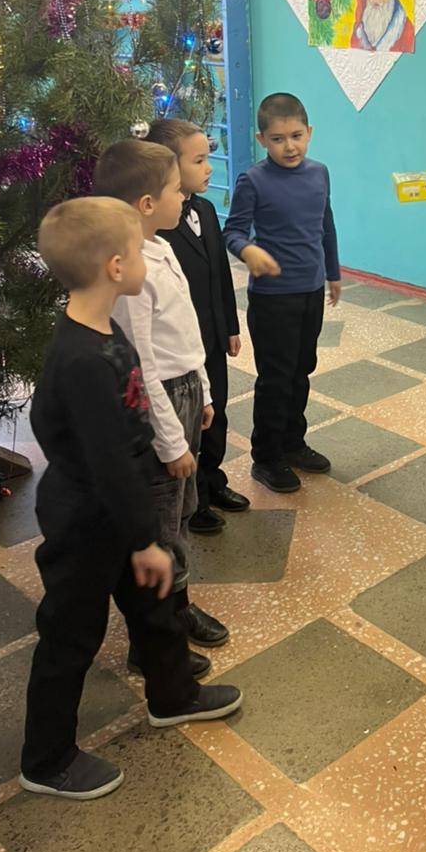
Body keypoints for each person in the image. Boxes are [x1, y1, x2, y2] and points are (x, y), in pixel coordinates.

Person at [19, 198, 241, 802]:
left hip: (119, 506)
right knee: (71, 634)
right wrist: (144, 539)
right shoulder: (82, 358)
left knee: (154, 607)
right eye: (139, 251)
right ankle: (47, 759)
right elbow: (104, 460)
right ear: (116, 267)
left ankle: (173, 695)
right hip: (87, 521)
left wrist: (140, 531)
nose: (148, 258)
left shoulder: (101, 330)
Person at [93, 141, 230, 657]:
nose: (184, 197)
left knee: (182, 511)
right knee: (160, 521)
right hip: (161, 404)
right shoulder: (131, 271)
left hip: (186, 391)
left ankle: (178, 606)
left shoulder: (160, 246)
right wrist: (171, 441)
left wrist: (205, 391)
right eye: (176, 189)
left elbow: (185, 333)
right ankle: (153, 638)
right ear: (147, 203)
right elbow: (142, 367)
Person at [223, 93, 341, 494]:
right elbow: (233, 232)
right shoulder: (253, 180)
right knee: (276, 378)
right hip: (273, 298)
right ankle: (267, 457)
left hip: (310, 291)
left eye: (296, 136)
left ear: (309, 132)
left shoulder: (319, 173)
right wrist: (248, 250)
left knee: (301, 370)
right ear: (262, 140)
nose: (289, 146)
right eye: (277, 139)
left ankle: (293, 442)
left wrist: (333, 273)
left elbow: (325, 224)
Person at [146, 119, 249, 535]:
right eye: (199, 160)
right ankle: (195, 500)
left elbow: (220, 272)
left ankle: (213, 480)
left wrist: (230, 326)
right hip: (177, 348)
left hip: (211, 337)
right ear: (169, 168)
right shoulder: (159, 223)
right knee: (190, 424)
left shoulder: (204, 210)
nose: (209, 168)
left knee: (216, 411)